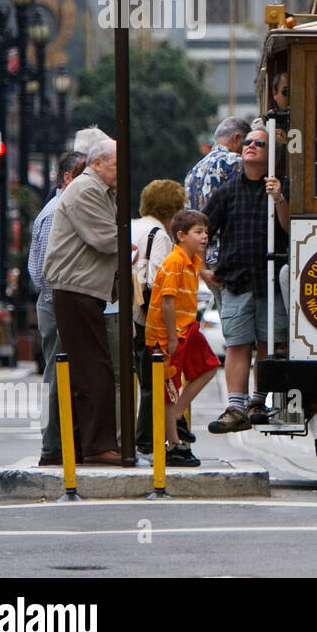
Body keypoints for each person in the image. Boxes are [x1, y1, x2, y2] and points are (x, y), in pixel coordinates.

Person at [203, 127, 289, 432]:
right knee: (238, 344)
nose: (250, 146)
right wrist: (202, 269)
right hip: (237, 280)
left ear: (272, 155)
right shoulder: (227, 190)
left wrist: (279, 198)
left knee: (267, 343)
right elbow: (203, 228)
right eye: (248, 142)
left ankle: (258, 402)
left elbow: (290, 228)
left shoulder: (280, 188)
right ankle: (235, 407)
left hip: (269, 282)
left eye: (259, 143)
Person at [43, 138, 122, 464]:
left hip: (84, 289)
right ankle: (95, 446)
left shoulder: (99, 191)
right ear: (98, 163)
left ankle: (81, 444)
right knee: (94, 369)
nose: (121, 171)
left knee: (88, 368)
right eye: (117, 164)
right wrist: (131, 244)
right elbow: (106, 239)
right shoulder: (87, 190)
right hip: (76, 289)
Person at [145, 209, 221, 466]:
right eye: (198, 232)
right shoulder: (175, 261)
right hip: (168, 335)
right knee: (169, 389)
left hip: (188, 327)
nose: (205, 237)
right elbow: (167, 301)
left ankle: (177, 416)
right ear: (181, 236)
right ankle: (174, 444)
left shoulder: (191, 259)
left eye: (206, 232)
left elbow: (201, 270)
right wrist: (170, 338)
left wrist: (210, 276)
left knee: (208, 367)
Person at [28, 150, 87, 466]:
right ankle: (53, 446)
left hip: (66, 302)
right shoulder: (55, 213)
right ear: (67, 178)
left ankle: (66, 442)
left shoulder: (70, 208)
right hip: (57, 303)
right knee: (57, 371)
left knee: (68, 372)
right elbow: (45, 272)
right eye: (82, 175)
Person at [130, 179, 188, 455]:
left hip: (126, 312)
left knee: (139, 380)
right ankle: (147, 439)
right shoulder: (160, 235)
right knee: (155, 382)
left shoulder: (132, 226)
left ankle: (141, 437)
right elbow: (159, 284)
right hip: (148, 320)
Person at [184, 117, 250, 309]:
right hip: (232, 256)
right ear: (237, 138)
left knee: (227, 320)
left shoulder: (193, 171)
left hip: (204, 259)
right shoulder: (236, 162)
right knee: (241, 325)